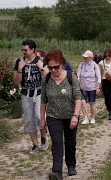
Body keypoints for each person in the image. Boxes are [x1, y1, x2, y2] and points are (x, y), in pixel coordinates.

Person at [40, 50, 81, 179]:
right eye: (50, 67)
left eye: (56, 67)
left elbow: (78, 97)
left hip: (70, 115)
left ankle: (71, 165)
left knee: (70, 142)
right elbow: (43, 100)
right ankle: (57, 171)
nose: (53, 70)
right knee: (57, 142)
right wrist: (42, 119)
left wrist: (75, 115)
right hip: (53, 116)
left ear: (62, 64)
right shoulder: (46, 79)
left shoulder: (71, 77)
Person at [13, 39, 48, 154]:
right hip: (25, 93)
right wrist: (19, 69)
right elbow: (16, 82)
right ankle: (35, 145)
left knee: (39, 116)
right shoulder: (19, 61)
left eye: (26, 50)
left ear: (33, 50)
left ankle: (43, 136)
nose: (23, 52)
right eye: (22, 49)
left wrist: (41, 68)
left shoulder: (41, 61)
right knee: (28, 120)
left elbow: (48, 78)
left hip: (39, 93)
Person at [77, 50, 101, 124]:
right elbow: (78, 75)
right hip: (83, 87)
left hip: (92, 87)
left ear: (90, 57)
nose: (84, 58)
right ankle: (85, 117)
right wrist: (78, 83)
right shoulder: (81, 65)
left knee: (92, 103)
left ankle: (93, 117)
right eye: (84, 57)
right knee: (82, 102)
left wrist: (98, 87)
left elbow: (99, 77)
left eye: (86, 57)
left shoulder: (94, 65)